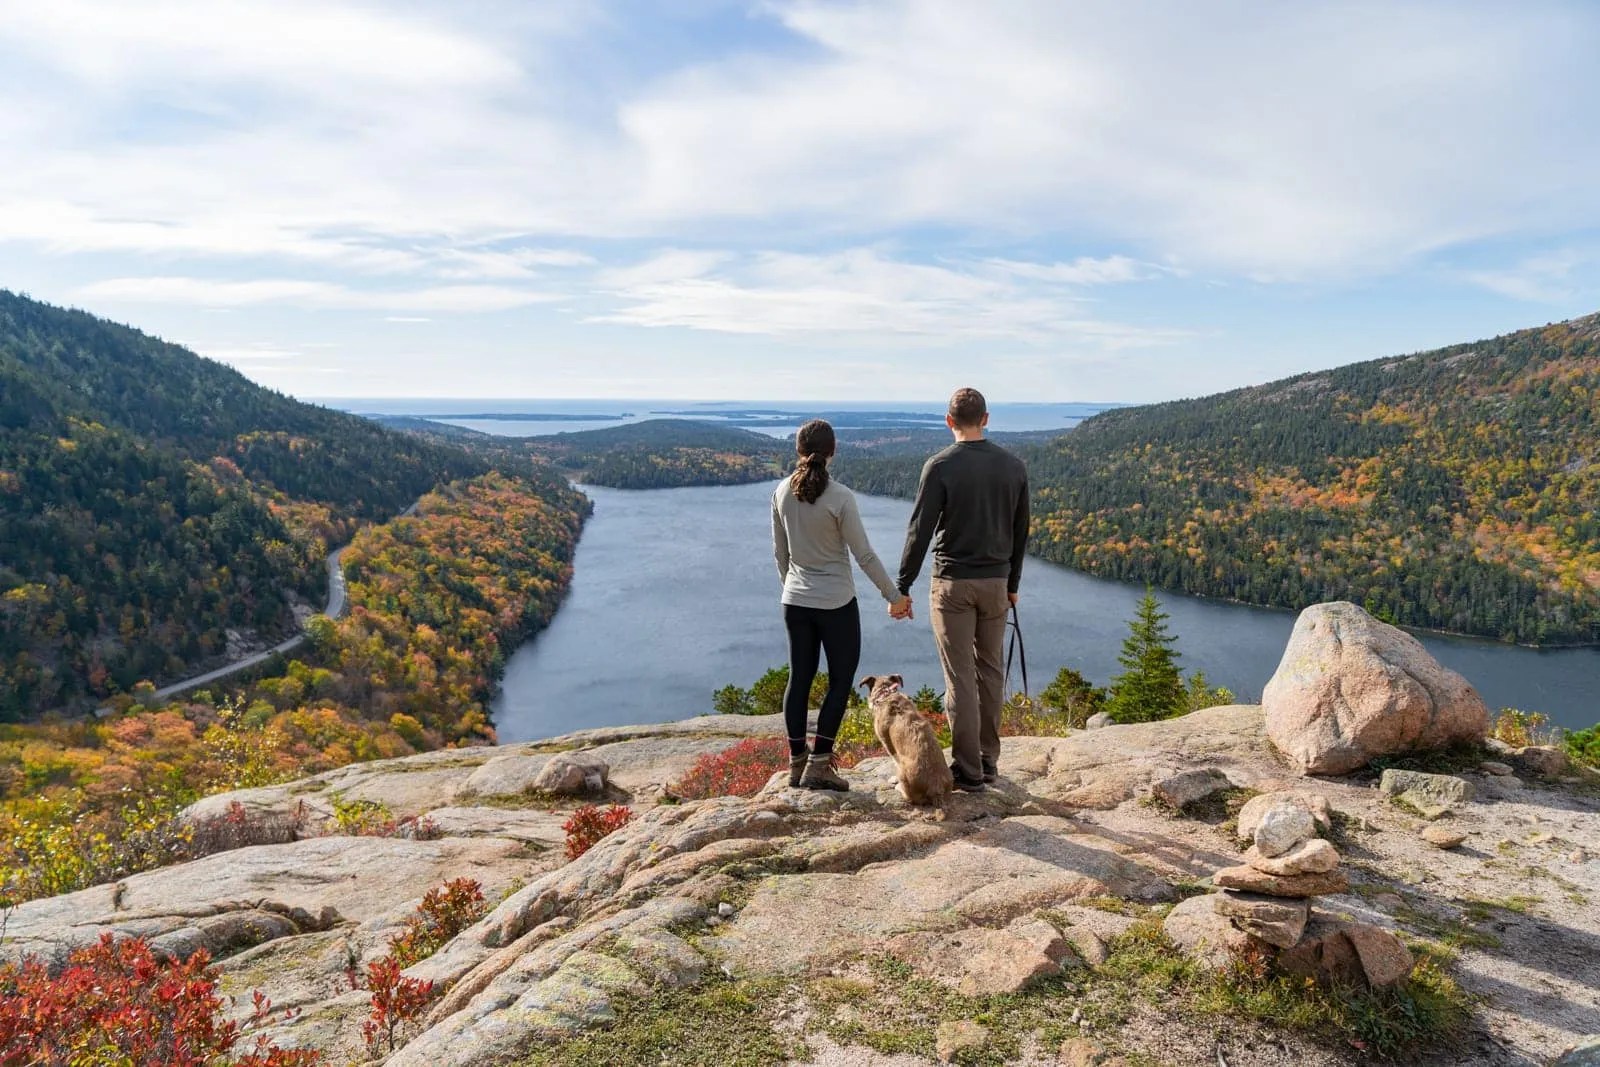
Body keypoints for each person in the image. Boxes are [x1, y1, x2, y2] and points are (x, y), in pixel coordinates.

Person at [891, 387, 1029, 791]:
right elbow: (1021, 532)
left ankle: (968, 770)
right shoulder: (1013, 466)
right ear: (986, 418)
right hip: (996, 584)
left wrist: (902, 587)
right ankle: (989, 761)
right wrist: (1013, 584)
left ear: (949, 421)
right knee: (990, 670)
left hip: (952, 583)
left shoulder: (940, 466)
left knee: (960, 677)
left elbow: (919, 531)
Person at [773, 418, 902, 790]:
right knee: (841, 681)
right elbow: (864, 556)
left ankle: (797, 763)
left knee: (799, 678)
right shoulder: (841, 497)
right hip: (836, 605)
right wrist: (894, 597)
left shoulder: (781, 492)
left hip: (795, 603)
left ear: (798, 450)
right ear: (832, 452)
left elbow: (780, 555)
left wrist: (794, 589)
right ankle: (819, 765)